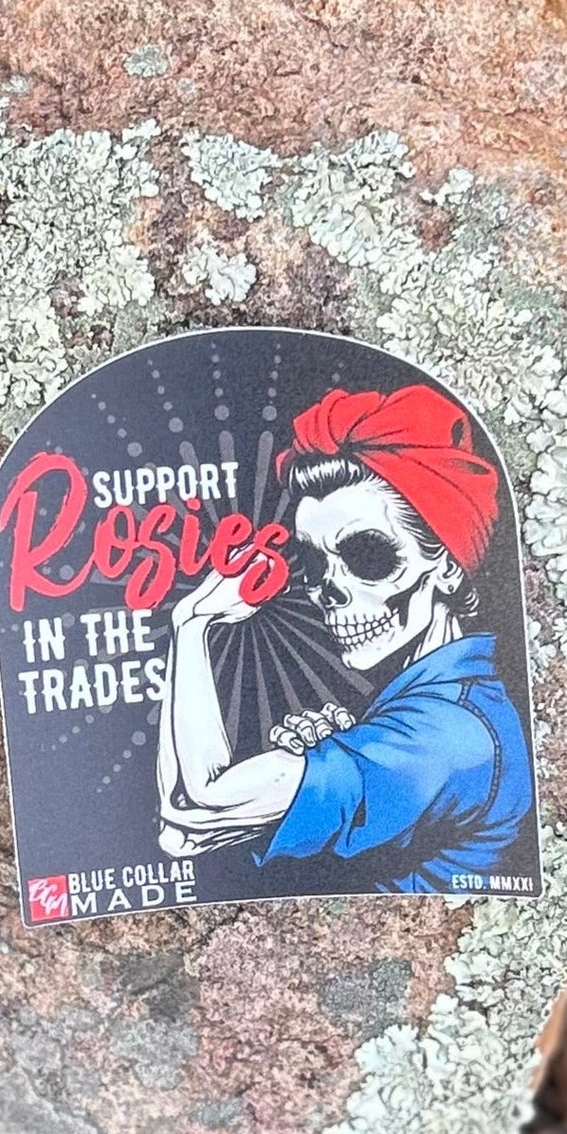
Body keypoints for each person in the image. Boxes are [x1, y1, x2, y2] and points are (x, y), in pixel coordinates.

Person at [156, 382, 533, 894]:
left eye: (369, 557)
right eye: (314, 564)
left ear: (445, 567)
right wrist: (326, 761)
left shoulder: (445, 734)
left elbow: (192, 804)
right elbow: (182, 840)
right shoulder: (431, 704)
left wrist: (192, 623)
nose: (328, 592)